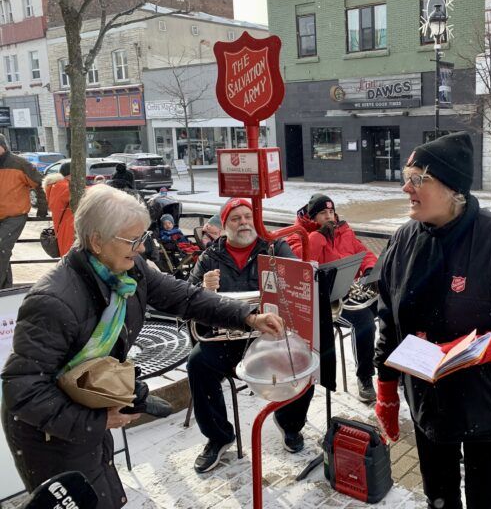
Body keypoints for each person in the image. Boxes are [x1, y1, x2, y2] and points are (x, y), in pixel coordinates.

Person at [1, 185, 283, 508]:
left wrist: (248, 316)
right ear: (96, 241)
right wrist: (97, 422)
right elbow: (21, 390)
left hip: (86, 405)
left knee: (106, 491)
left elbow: (186, 297)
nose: (140, 248)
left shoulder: (128, 272)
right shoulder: (54, 302)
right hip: (49, 435)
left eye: (142, 238)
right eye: (132, 240)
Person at [373, 132, 491, 509]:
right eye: (406, 177)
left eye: (417, 179)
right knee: (439, 498)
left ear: (452, 187)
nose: (405, 187)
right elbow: (388, 319)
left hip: (489, 403)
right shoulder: (404, 240)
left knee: (485, 502)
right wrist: (386, 391)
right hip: (430, 403)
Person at [187, 197, 308, 472]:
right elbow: (187, 298)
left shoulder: (275, 247)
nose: (244, 223)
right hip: (225, 338)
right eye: (236, 218)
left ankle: (290, 423)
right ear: (225, 225)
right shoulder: (209, 257)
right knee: (197, 364)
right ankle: (218, 437)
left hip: (268, 338)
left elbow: (300, 280)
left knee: (305, 357)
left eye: (248, 217)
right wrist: (204, 287)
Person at [285, 193, 379, 403]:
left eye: (331, 212)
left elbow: (363, 253)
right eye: (323, 213)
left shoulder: (344, 230)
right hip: (325, 300)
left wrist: (369, 270)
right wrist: (318, 236)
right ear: (311, 217)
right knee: (364, 323)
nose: (329, 217)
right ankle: (365, 376)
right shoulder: (296, 235)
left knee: (388, 308)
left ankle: (386, 362)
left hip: (349, 291)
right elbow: (302, 263)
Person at [0, 133, 48, 288]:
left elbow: (40, 184)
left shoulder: (19, 164)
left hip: (14, 216)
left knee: (1, 247)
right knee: (3, 251)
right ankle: (5, 288)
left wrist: (42, 209)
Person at [43, 161, 75, 256]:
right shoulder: (62, 186)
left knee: (68, 259)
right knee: (71, 261)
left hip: (64, 230)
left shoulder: (56, 186)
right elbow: (85, 192)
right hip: (68, 230)